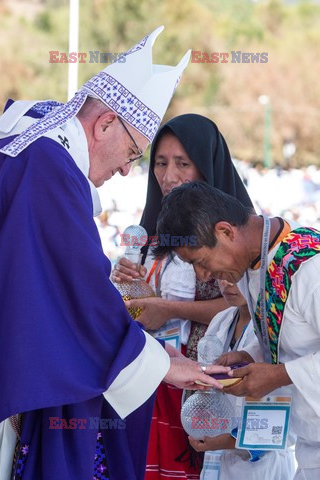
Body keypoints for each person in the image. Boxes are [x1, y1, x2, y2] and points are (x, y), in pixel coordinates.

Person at [0, 28, 231, 480]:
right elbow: (79, 294)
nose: (128, 169)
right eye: (132, 152)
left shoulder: (28, 137)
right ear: (104, 123)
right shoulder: (50, 167)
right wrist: (164, 365)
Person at [111, 114, 254, 479]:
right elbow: (149, 314)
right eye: (160, 163)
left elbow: (244, 303)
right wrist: (138, 295)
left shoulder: (238, 232)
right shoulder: (148, 234)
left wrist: (165, 308)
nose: (169, 176)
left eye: (182, 163)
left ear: (207, 168)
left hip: (208, 388)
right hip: (154, 383)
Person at [154, 181, 320, 480]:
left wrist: (279, 375)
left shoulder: (309, 267)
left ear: (226, 232)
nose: (203, 275)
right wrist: (250, 355)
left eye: (201, 262)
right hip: (310, 447)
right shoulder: (256, 264)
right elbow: (289, 333)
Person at [189, 280, 296, 480]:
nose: (226, 283)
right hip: (218, 457)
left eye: (234, 275)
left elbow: (284, 417)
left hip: (264, 464)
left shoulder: (276, 326)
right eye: (220, 275)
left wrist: (230, 441)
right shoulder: (221, 321)